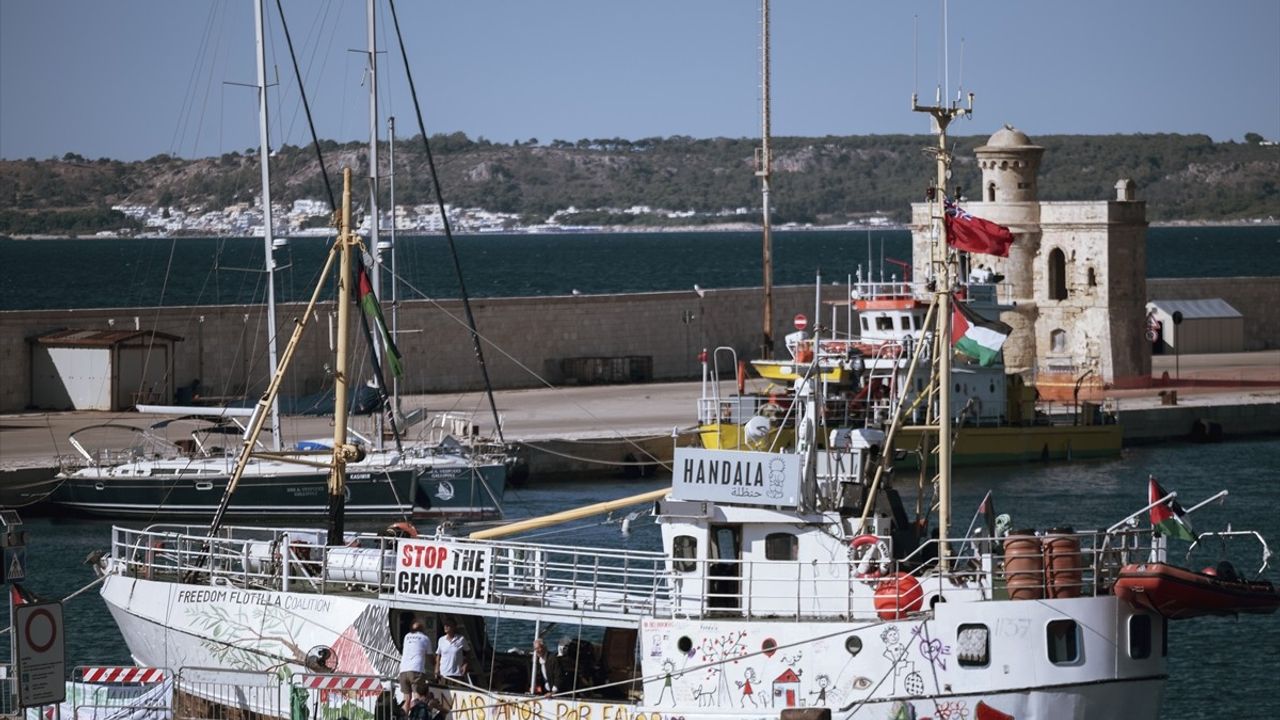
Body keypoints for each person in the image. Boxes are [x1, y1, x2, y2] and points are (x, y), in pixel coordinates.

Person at [399, 620, 434, 713]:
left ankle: (403, 718)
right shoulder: (425, 638)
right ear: (422, 629)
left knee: (406, 699)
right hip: (416, 670)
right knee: (417, 697)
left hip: (403, 670)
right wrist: (437, 666)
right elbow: (430, 657)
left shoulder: (406, 637)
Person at [435, 618, 473, 684]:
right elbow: (438, 655)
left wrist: (465, 665)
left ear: (454, 627)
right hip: (444, 673)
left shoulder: (461, 639)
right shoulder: (441, 640)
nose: (445, 627)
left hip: (457, 673)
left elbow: (468, 652)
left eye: (448, 625)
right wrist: (436, 668)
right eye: (445, 625)